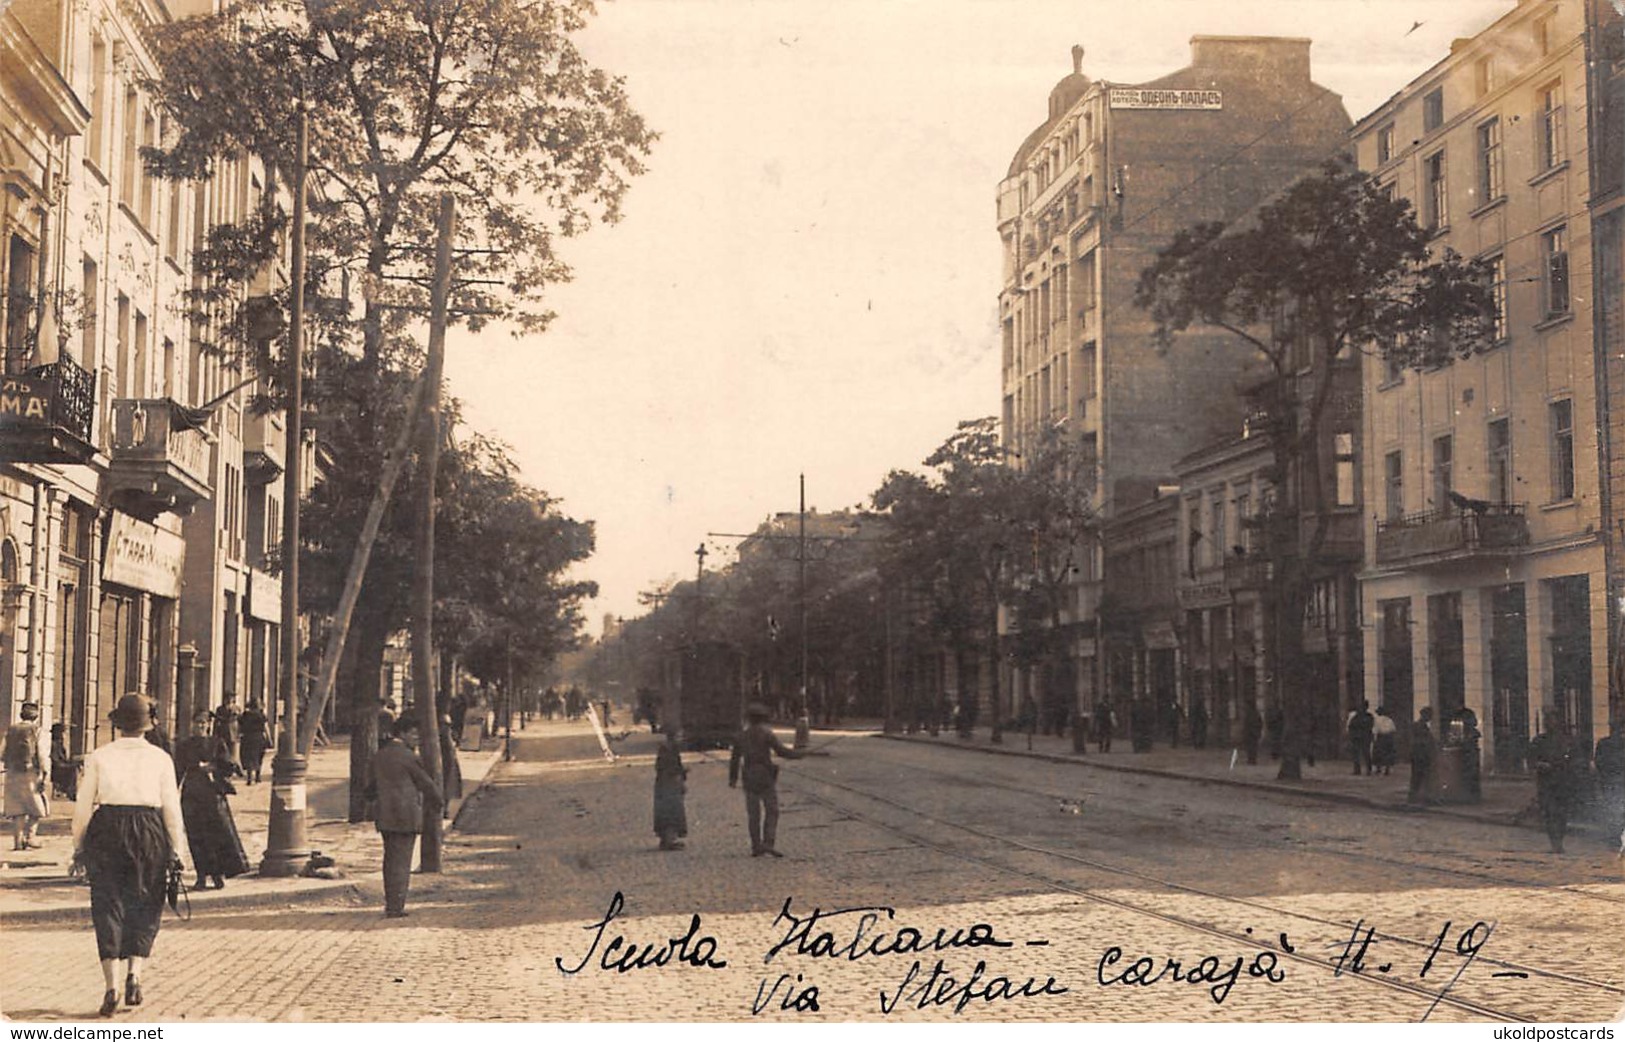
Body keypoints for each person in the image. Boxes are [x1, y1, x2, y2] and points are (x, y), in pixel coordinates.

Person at [71, 694, 187, 1017]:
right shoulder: (161, 758)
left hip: (107, 829)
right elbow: (171, 810)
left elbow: (83, 806)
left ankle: (112, 986)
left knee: (107, 903)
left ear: (118, 724)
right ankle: (136, 973)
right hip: (149, 830)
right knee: (146, 901)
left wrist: (78, 845)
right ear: (148, 725)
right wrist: (177, 849)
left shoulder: (100, 756)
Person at [364, 712, 442, 917]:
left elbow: (369, 788)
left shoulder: (379, 755)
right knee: (402, 861)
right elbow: (426, 784)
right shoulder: (409, 757)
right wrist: (438, 803)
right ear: (403, 734)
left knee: (390, 859)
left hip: (385, 816)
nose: (417, 738)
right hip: (406, 816)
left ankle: (391, 902)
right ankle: (396, 907)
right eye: (414, 734)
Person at [173, 711, 249, 890]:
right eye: (197, 722)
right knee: (196, 836)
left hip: (212, 795)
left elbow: (228, 765)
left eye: (204, 723)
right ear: (192, 724)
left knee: (216, 835)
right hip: (191, 795)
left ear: (208, 725)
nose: (200, 726)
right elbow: (177, 771)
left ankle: (217, 875)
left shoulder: (217, 743)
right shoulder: (184, 746)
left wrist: (213, 767)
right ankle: (201, 876)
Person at [728, 702, 808, 857]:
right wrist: (799, 754)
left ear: (749, 719)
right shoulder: (767, 734)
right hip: (765, 775)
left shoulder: (741, 736)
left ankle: (756, 846)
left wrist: (733, 778)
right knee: (772, 810)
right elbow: (782, 752)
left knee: (753, 814)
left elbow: (735, 759)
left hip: (749, 775)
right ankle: (768, 843)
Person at [1529, 711, 1579, 854]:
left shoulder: (1567, 741)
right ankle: (1554, 842)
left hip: (1563, 781)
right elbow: (1532, 759)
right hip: (1546, 782)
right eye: (1548, 721)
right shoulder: (1539, 740)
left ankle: (1559, 842)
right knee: (1549, 813)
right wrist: (1541, 765)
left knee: (1561, 813)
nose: (1551, 723)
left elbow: (1575, 759)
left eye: (1554, 720)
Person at [4, 702, 48, 850]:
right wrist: (44, 772)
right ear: (36, 716)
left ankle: (17, 842)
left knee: (17, 808)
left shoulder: (11, 730)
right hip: (31, 772)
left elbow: (1, 752)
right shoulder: (37, 730)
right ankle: (30, 837)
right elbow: (41, 754)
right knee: (37, 807)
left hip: (12, 772)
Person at [653, 732, 689, 851]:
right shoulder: (669, 751)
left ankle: (666, 839)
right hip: (669, 786)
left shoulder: (669, 750)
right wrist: (681, 773)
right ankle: (669, 840)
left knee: (667, 813)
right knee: (672, 813)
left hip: (665, 786)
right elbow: (670, 769)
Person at [1595, 720, 1624, 843]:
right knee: (1615, 808)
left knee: (1613, 808)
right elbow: (1599, 761)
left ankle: (1615, 834)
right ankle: (1616, 834)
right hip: (1614, 780)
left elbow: (1599, 761)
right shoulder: (1605, 743)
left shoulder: (1604, 743)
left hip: (1610, 780)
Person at [1408, 706, 1437, 804]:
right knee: (1419, 776)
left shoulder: (1420, 726)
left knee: (1419, 776)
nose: (1430, 718)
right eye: (1429, 715)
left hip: (1420, 754)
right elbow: (1423, 741)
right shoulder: (1419, 726)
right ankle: (1415, 797)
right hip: (1420, 754)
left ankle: (1417, 797)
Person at [238, 699, 270, 785]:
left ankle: (249, 778)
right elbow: (266, 728)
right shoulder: (261, 715)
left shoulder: (245, 715)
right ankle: (257, 776)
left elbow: (239, 726)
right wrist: (269, 739)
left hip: (247, 737)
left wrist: (239, 734)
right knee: (259, 756)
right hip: (259, 737)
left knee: (248, 757)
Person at [438, 713, 463, 820]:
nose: (446, 727)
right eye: (444, 725)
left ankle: (445, 809)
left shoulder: (450, 734)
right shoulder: (440, 737)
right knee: (445, 786)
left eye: (448, 725)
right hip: (444, 763)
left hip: (451, 763)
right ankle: (443, 810)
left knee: (449, 786)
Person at [1346, 700, 1375, 776]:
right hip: (1364, 737)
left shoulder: (1356, 716)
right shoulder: (1369, 717)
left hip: (1358, 737)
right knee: (1365, 753)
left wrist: (1351, 735)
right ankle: (1367, 770)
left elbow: (1351, 726)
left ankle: (1358, 770)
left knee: (1359, 753)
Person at [212, 695, 242, 767]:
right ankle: (224, 766)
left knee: (233, 752)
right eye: (227, 699)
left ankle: (233, 767)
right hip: (223, 732)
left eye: (231, 699)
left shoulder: (237, 708)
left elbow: (241, 721)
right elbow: (216, 721)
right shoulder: (220, 709)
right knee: (223, 750)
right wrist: (215, 732)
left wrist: (240, 732)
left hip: (234, 733)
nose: (229, 700)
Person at [51, 722, 78, 801]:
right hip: (56, 769)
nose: (64, 735)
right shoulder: (54, 744)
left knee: (75, 767)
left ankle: (71, 792)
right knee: (72, 770)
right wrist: (69, 765)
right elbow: (56, 761)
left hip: (60, 766)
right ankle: (70, 793)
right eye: (62, 732)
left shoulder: (59, 743)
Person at [1371, 705, 1399, 775]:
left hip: (1381, 737)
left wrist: (1374, 738)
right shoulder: (1389, 720)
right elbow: (1393, 729)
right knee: (1387, 753)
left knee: (1378, 753)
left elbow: (1375, 730)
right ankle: (1387, 768)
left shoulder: (1376, 720)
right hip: (1388, 737)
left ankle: (1378, 768)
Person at [1242, 701, 1263, 765]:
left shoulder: (1249, 714)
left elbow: (1247, 724)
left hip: (1251, 733)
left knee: (1251, 747)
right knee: (1253, 747)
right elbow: (1260, 723)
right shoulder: (1256, 714)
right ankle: (1252, 759)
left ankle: (1251, 759)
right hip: (1254, 733)